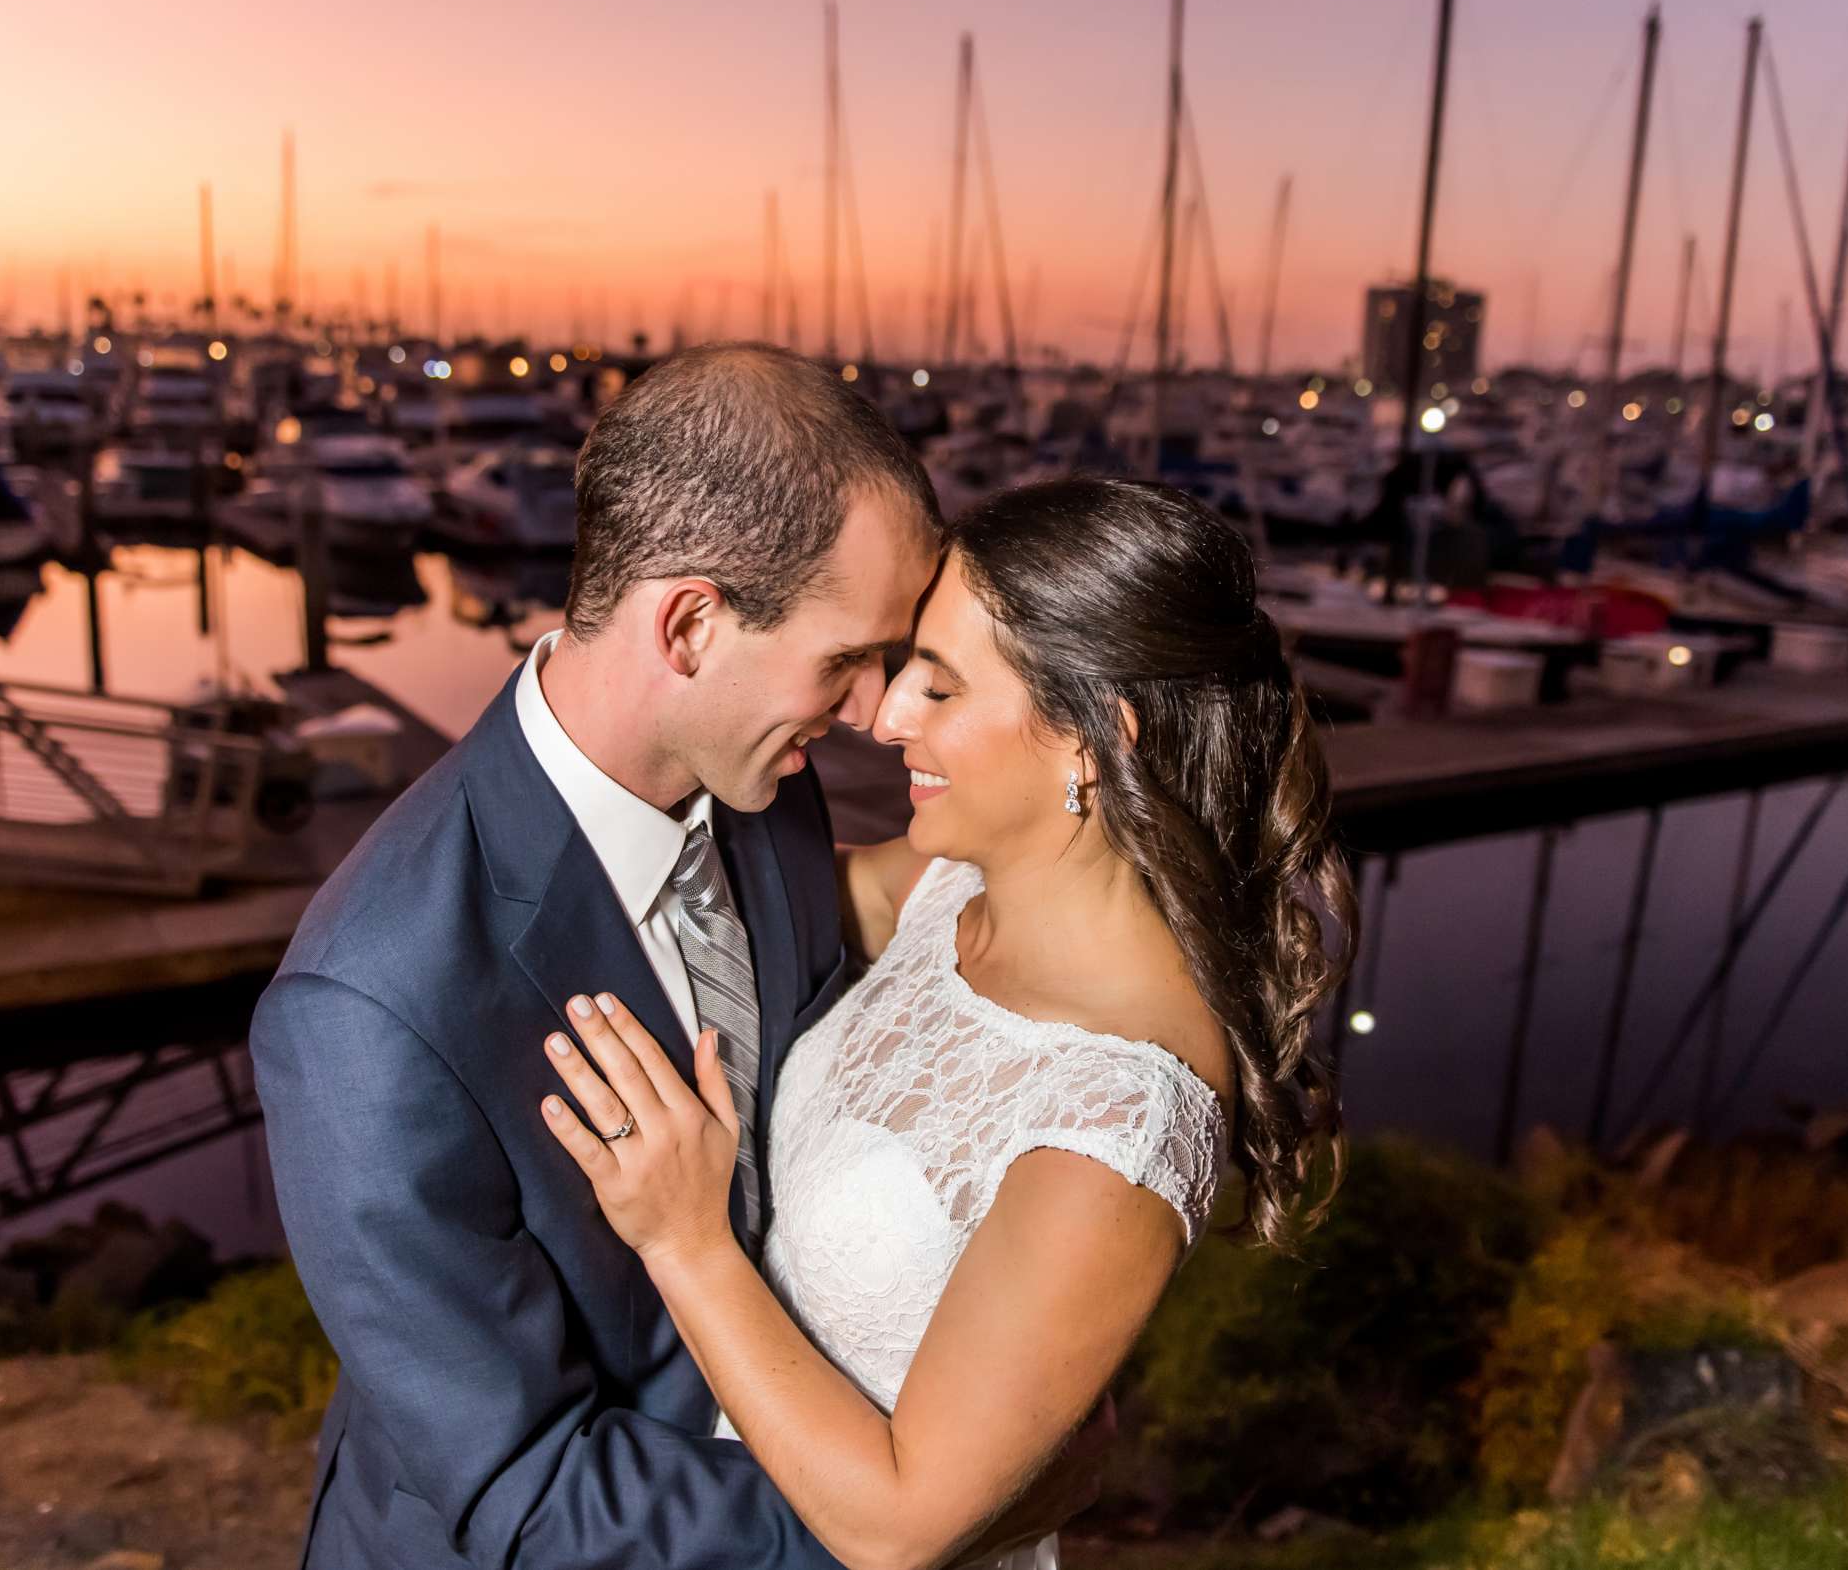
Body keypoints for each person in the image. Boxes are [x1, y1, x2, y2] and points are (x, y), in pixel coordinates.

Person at [251, 344, 1098, 1569]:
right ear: (692, 624)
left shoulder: (762, 781)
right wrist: (926, 1514)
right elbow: (528, 1494)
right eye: (846, 660)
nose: (870, 711)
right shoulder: (371, 1004)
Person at [535, 476, 1353, 1570]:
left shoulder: (1119, 1116)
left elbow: (900, 1524)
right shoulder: (943, 885)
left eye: (940, 688)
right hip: (718, 1512)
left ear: (1088, 739)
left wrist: (685, 1240)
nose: (882, 717)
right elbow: (749, 906)